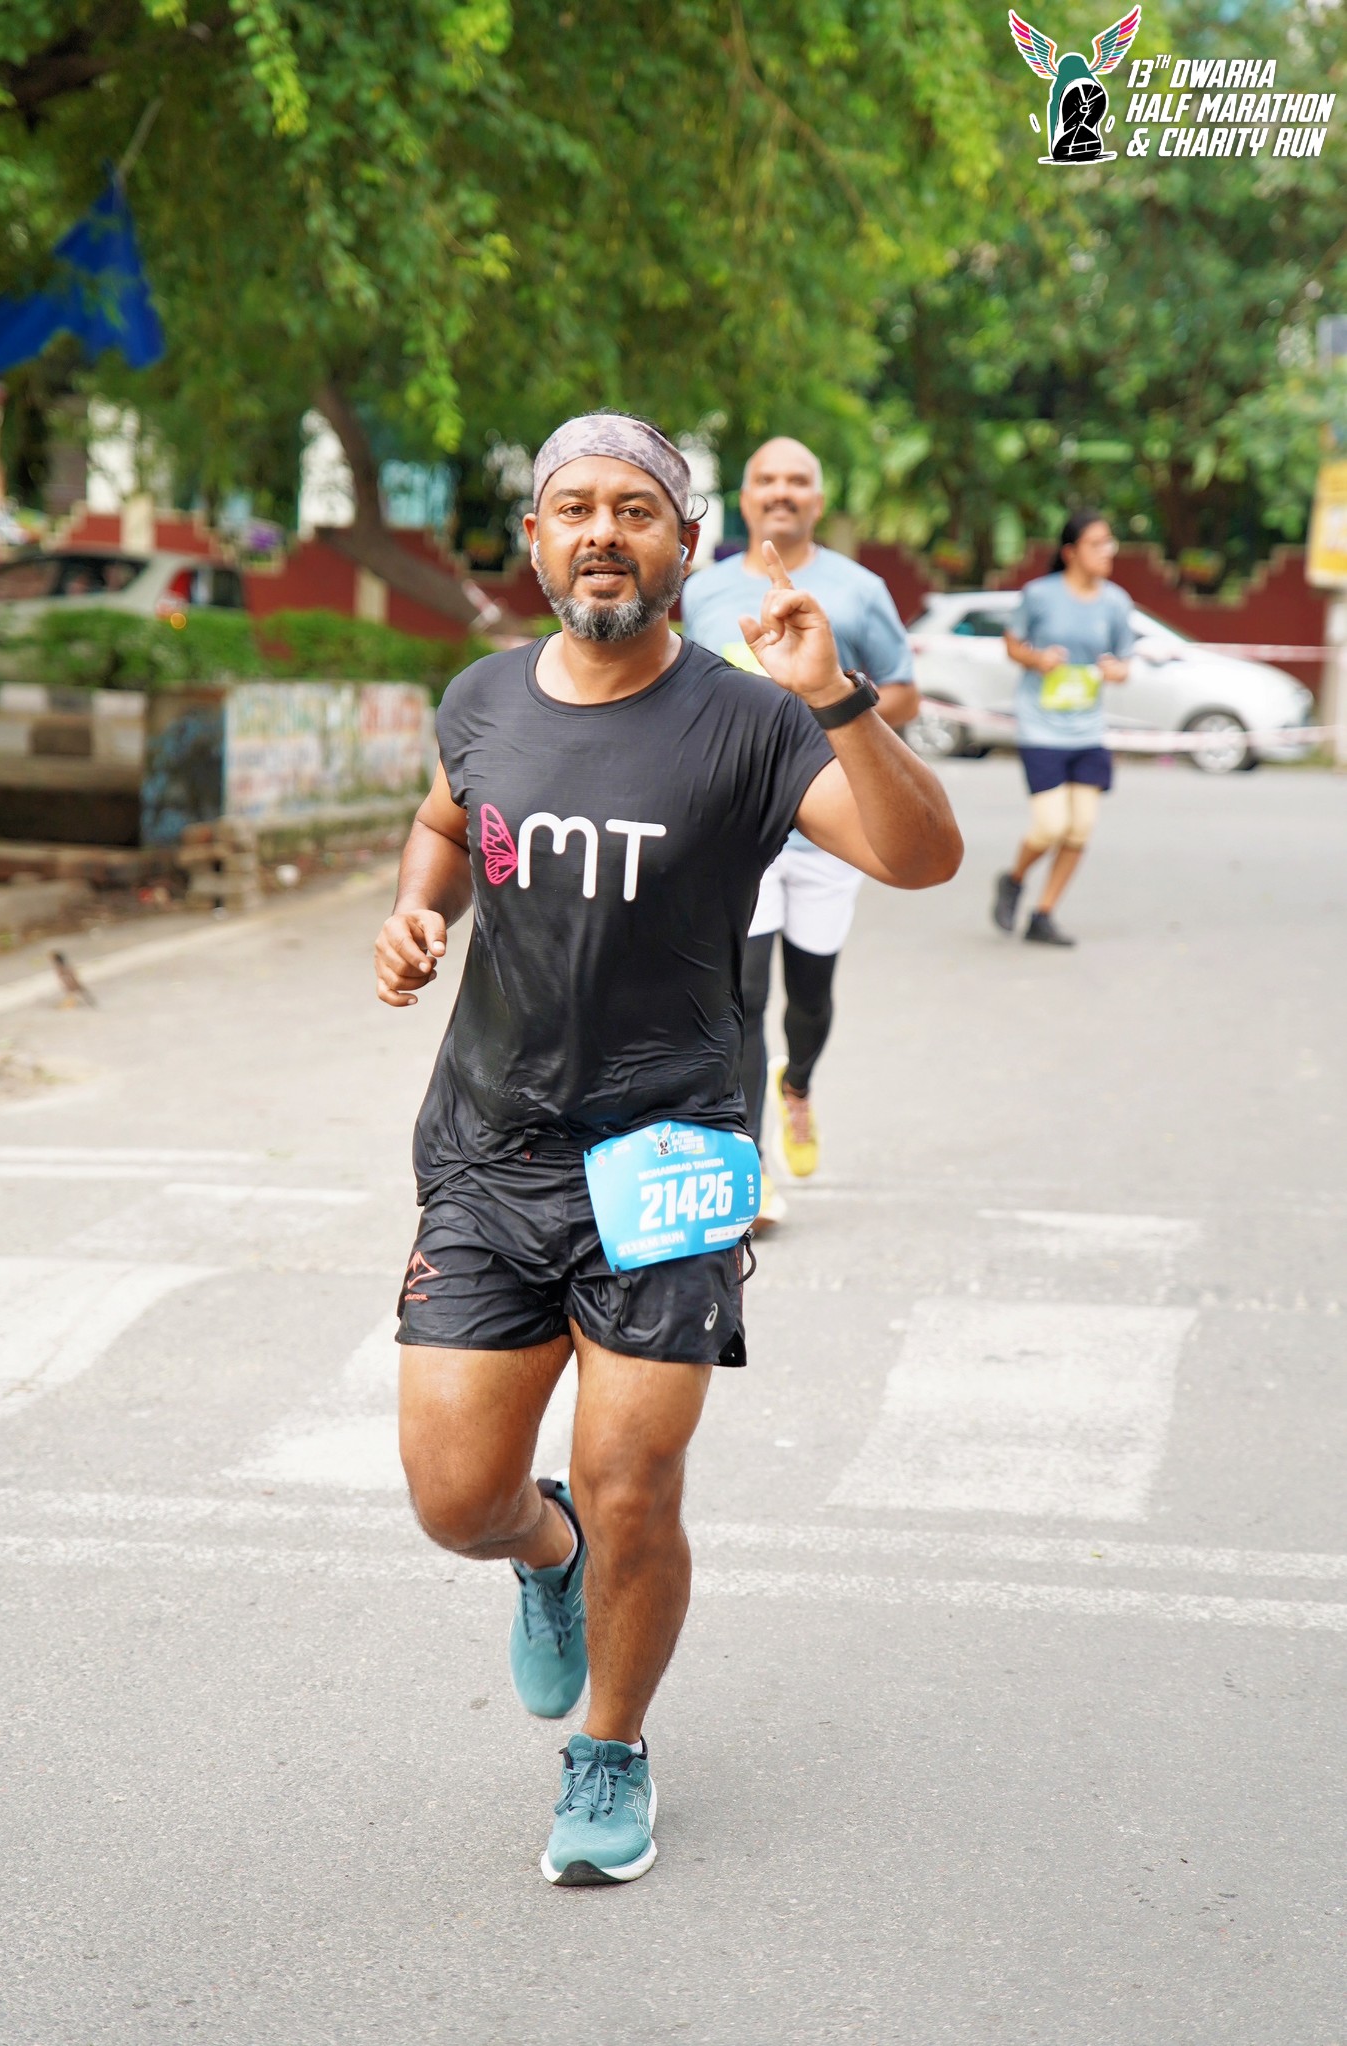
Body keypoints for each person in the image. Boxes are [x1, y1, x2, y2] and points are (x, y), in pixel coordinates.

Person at [373, 411, 961, 1887]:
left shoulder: (752, 721)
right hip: (491, 1150)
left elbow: (920, 857)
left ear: (687, 546)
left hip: (671, 1149)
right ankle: (547, 1553)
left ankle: (611, 1746)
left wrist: (838, 702)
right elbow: (446, 822)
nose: (601, 532)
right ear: (532, 539)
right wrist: (419, 912)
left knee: (633, 1476)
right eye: (572, 506)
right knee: (457, 1498)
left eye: (635, 510)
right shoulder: (481, 698)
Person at [682, 438, 919, 1222]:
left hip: (828, 827)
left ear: (818, 499)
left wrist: (834, 700)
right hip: (739, 829)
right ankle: (749, 1165)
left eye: (797, 481)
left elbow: (906, 693)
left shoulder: (858, 590)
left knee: (808, 998)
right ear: (745, 498)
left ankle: (799, 1082)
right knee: (742, 995)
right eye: (766, 480)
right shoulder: (703, 591)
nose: (781, 492)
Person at [993, 508, 1134, 947]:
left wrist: (1115, 671)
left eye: (1109, 543)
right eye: (1097, 544)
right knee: (1051, 826)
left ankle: (1044, 913)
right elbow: (1012, 644)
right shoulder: (1039, 595)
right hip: (1041, 729)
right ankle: (1014, 879)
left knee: (1080, 828)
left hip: (1087, 731)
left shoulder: (1116, 602)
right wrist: (1037, 659)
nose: (1107, 551)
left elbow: (1124, 662)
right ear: (1071, 552)